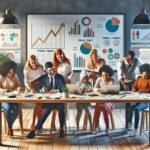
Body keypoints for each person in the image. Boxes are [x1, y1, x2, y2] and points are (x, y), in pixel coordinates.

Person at [26, 61, 66, 139]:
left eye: (52, 69)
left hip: (59, 100)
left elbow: (65, 89)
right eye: (49, 70)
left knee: (61, 109)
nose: (51, 71)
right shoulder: (43, 78)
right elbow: (37, 89)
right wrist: (41, 90)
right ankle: (35, 130)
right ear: (46, 70)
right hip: (49, 101)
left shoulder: (60, 77)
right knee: (45, 111)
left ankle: (61, 129)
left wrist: (57, 91)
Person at [117, 50, 142, 128]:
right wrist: (124, 84)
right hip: (123, 83)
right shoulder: (120, 62)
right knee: (127, 103)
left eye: (132, 59)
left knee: (131, 103)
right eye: (130, 59)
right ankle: (128, 123)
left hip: (133, 82)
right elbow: (119, 75)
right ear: (127, 57)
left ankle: (129, 123)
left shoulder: (136, 60)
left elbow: (142, 68)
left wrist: (140, 78)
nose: (131, 61)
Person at [0, 60, 22, 136]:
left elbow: (19, 85)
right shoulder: (1, 76)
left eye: (12, 72)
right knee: (8, 108)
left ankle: (9, 127)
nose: (11, 74)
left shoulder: (15, 75)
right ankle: (10, 128)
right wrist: (5, 90)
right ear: (5, 71)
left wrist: (19, 89)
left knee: (16, 109)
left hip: (13, 98)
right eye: (9, 72)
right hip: (3, 99)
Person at [52, 48, 73, 130]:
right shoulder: (55, 64)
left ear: (63, 55)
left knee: (65, 104)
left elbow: (71, 72)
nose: (60, 59)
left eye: (61, 57)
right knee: (55, 103)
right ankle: (53, 123)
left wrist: (68, 77)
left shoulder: (68, 62)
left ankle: (63, 124)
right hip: (58, 85)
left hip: (66, 84)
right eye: (58, 57)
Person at [128, 63, 150, 136]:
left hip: (146, 102)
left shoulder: (149, 80)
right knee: (130, 108)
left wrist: (143, 91)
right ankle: (129, 124)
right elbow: (134, 86)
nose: (144, 76)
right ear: (141, 72)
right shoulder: (139, 78)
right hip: (138, 99)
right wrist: (133, 88)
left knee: (137, 109)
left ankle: (135, 129)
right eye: (143, 75)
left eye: (146, 75)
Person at [23, 55, 44, 129]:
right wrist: (30, 88)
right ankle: (37, 124)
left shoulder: (41, 67)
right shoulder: (26, 69)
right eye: (32, 63)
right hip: (30, 89)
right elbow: (25, 82)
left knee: (39, 104)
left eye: (35, 62)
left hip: (39, 89)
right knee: (38, 104)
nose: (34, 64)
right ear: (29, 63)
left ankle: (36, 124)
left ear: (37, 60)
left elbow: (42, 79)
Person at [93, 65, 114, 133]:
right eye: (103, 75)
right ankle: (95, 127)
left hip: (108, 101)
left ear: (109, 75)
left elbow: (111, 90)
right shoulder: (99, 79)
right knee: (97, 110)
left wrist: (102, 89)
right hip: (99, 100)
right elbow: (94, 89)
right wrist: (101, 89)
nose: (104, 77)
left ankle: (107, 127)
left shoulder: (111, 80)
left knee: (105, 108)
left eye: (106, 75)